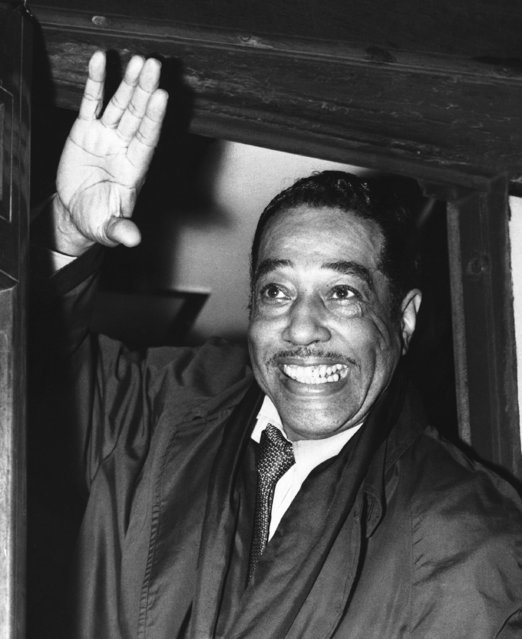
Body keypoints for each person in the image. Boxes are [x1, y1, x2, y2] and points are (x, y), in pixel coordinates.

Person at [30, 50, 522, 638]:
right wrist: (60, 240)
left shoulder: (473, 536)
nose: (302, 327)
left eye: (343, 293)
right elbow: (31, 382)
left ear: (405, 320)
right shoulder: (162, 406)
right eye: (276, 291)